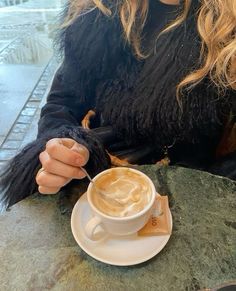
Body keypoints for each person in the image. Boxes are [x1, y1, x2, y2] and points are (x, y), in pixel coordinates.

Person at [0, 0, 235, 210]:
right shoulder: (94, 12)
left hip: (190, 192)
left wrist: (205, 195)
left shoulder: (228, 30)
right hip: (93, 179)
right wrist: (61, 149)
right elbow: (63, 103)